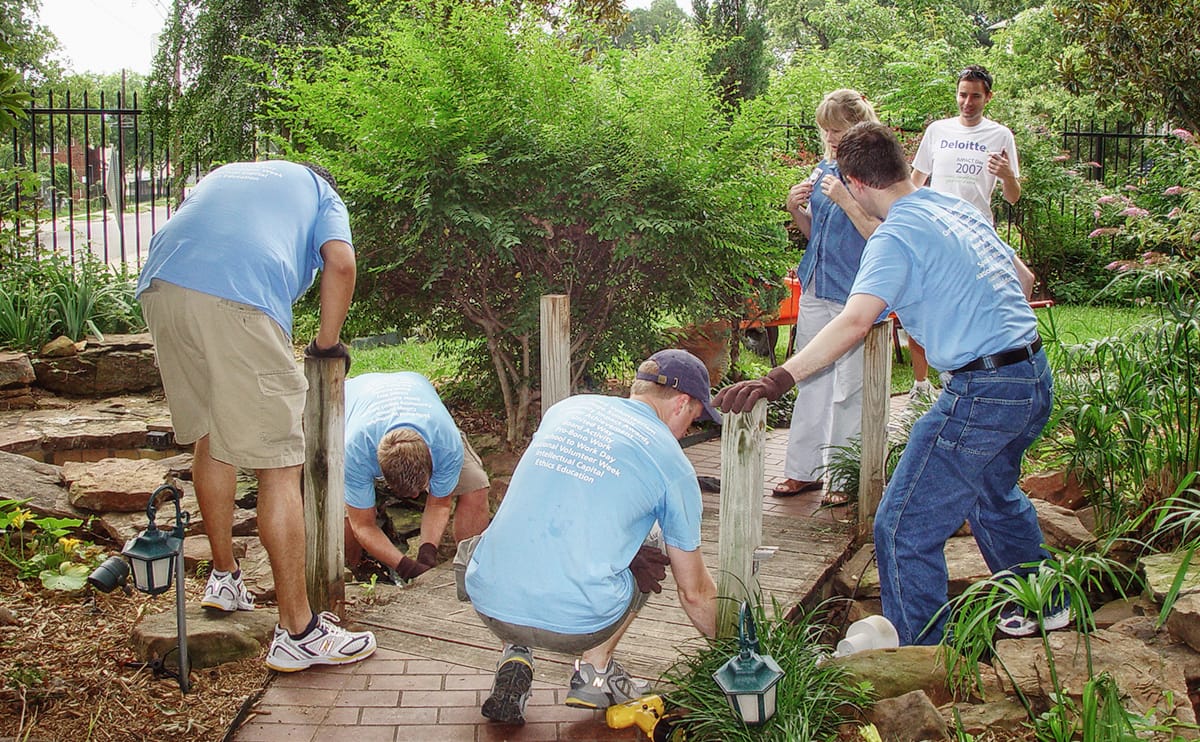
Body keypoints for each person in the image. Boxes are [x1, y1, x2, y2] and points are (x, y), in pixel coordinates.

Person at [715, 122, 1058, 645]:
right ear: (900, 165)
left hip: (983, 393)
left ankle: (923, 655)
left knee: (901, 527)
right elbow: (1025, 281)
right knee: (992, 490)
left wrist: (779, 377)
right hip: (1032, 374)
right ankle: (1046, 603)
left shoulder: (895, 237)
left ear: (854, 183)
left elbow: (853, 323)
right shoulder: (955, 208)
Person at [136, 160, 376, 671]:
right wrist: (326, 344)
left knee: (210, 434)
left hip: (163, 287)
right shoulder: (321, 193)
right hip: (238, 297)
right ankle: (299, 631)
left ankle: (224, 576)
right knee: (279, 464)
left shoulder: (229, 174)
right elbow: (341, 264)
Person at [463, 349, 720, 724]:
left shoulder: (566, 409)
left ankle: (515, 652)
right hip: (579, 625)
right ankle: (594, 672)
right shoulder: (672, 462)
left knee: (509, 534)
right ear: (682, 403)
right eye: (694, 421)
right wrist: (736, 655)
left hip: (489, 604)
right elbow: (694, 592)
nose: (686, 432)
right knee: (650, 547)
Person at [775, 89, 882, 503]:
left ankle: (843, 477)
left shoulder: (873, 175)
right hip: (816, 286)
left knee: (849, 388)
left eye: (837, 130)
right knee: (809, 376)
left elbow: (878, 233)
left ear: (857, 127)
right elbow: (815, 236)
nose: (830, 138)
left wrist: (843, 197)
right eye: (826, 130)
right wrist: (795, 209)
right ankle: (803, 470)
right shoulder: (822, 170)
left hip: (855, 293)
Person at [906, 64, 1023, 404]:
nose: (967, 102)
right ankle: (921, 384)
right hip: (936, 232)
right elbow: (916, 180)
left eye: (975, 96)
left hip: (976, 237)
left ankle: (962, 379)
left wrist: (1007, 175)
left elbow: (1013, 196)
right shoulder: (938, 131)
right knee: (924, 304)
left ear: (988, 97)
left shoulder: (1000, 136)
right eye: (962, 95)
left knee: (965, 310)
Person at [343, 371, 491, 580]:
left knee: (475, 485)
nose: (415, 498)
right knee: (348, 515)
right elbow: (364, 525)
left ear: (432, 463)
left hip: (416, 395)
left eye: (420, 490)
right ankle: (357, 568)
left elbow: (439, 503)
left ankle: (470, 570)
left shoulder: (445, 444)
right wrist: (406, 567)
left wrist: (426, 555)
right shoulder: (355, 451)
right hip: (352, 402)